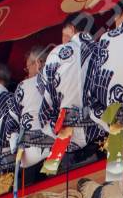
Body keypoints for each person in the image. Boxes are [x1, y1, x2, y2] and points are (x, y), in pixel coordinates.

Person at [40, 16, 100, 166]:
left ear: (72, 29)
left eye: (63, 34)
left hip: (67, 141)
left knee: (67, 189)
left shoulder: (57, 53)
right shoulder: (104, 48)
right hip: (103, 134)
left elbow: (46, 107)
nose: (62, 40)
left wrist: (57, 123)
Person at [9, 44, 55, 171]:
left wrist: (14, 147)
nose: (27, 72)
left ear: (38, 62)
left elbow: (12, 119)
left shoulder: (24, 85)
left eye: (28, 67)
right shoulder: (58, 78)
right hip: (59, 146)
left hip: (31, 153)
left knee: (37, 188)